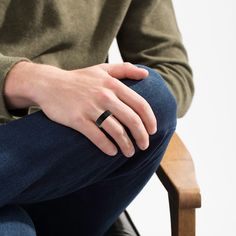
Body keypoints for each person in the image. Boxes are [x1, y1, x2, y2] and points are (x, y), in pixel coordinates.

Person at [0, 0, 194, 235]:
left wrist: (91, 101)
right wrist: (31, 82)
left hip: (71, 169)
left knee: (155, 95)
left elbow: (173, 72)